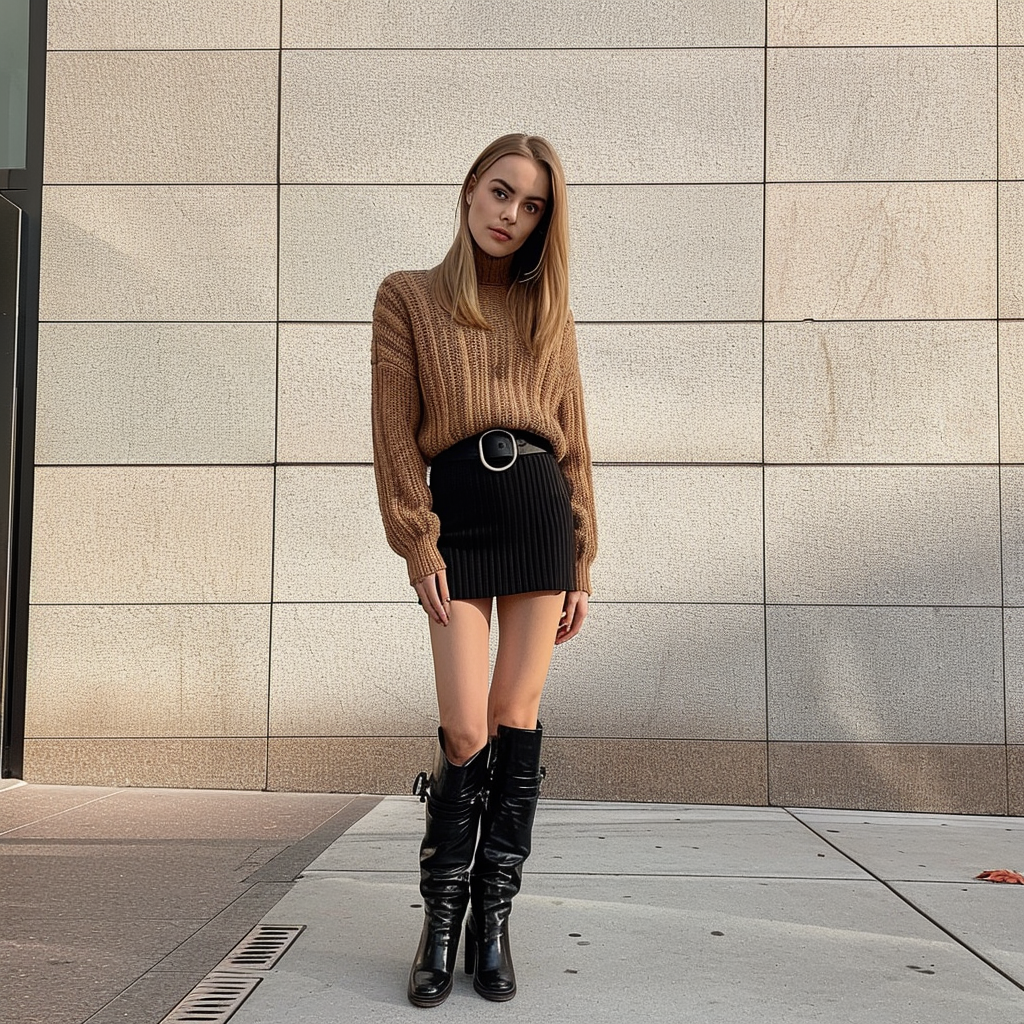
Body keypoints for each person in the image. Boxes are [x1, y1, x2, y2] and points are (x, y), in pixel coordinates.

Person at [370, 133, 597, 1007]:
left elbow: (576, 441)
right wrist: (415, 541)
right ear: (469, 190)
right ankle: (439, 914)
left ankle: (490, 921)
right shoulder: (408, 298)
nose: (513, 214)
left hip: (539, 511)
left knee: (516, 715)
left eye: (533, 205)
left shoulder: (549, 311)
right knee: (465, 729)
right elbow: (394, 436)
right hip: (456, 514)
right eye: (502, 193)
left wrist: (583, 551)